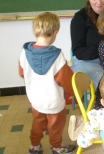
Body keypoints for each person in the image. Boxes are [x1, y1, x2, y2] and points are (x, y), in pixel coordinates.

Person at [18, 12, 76, 154]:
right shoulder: (57, 56)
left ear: (36, 30)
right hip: (54, 102)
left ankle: (34, 146)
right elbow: (67, 81)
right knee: (56, 126)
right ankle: (57, 147)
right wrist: (75, 92)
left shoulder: (25, 53)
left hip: (36, 100)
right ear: (55, 32)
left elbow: (22, 73)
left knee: (38, 123)